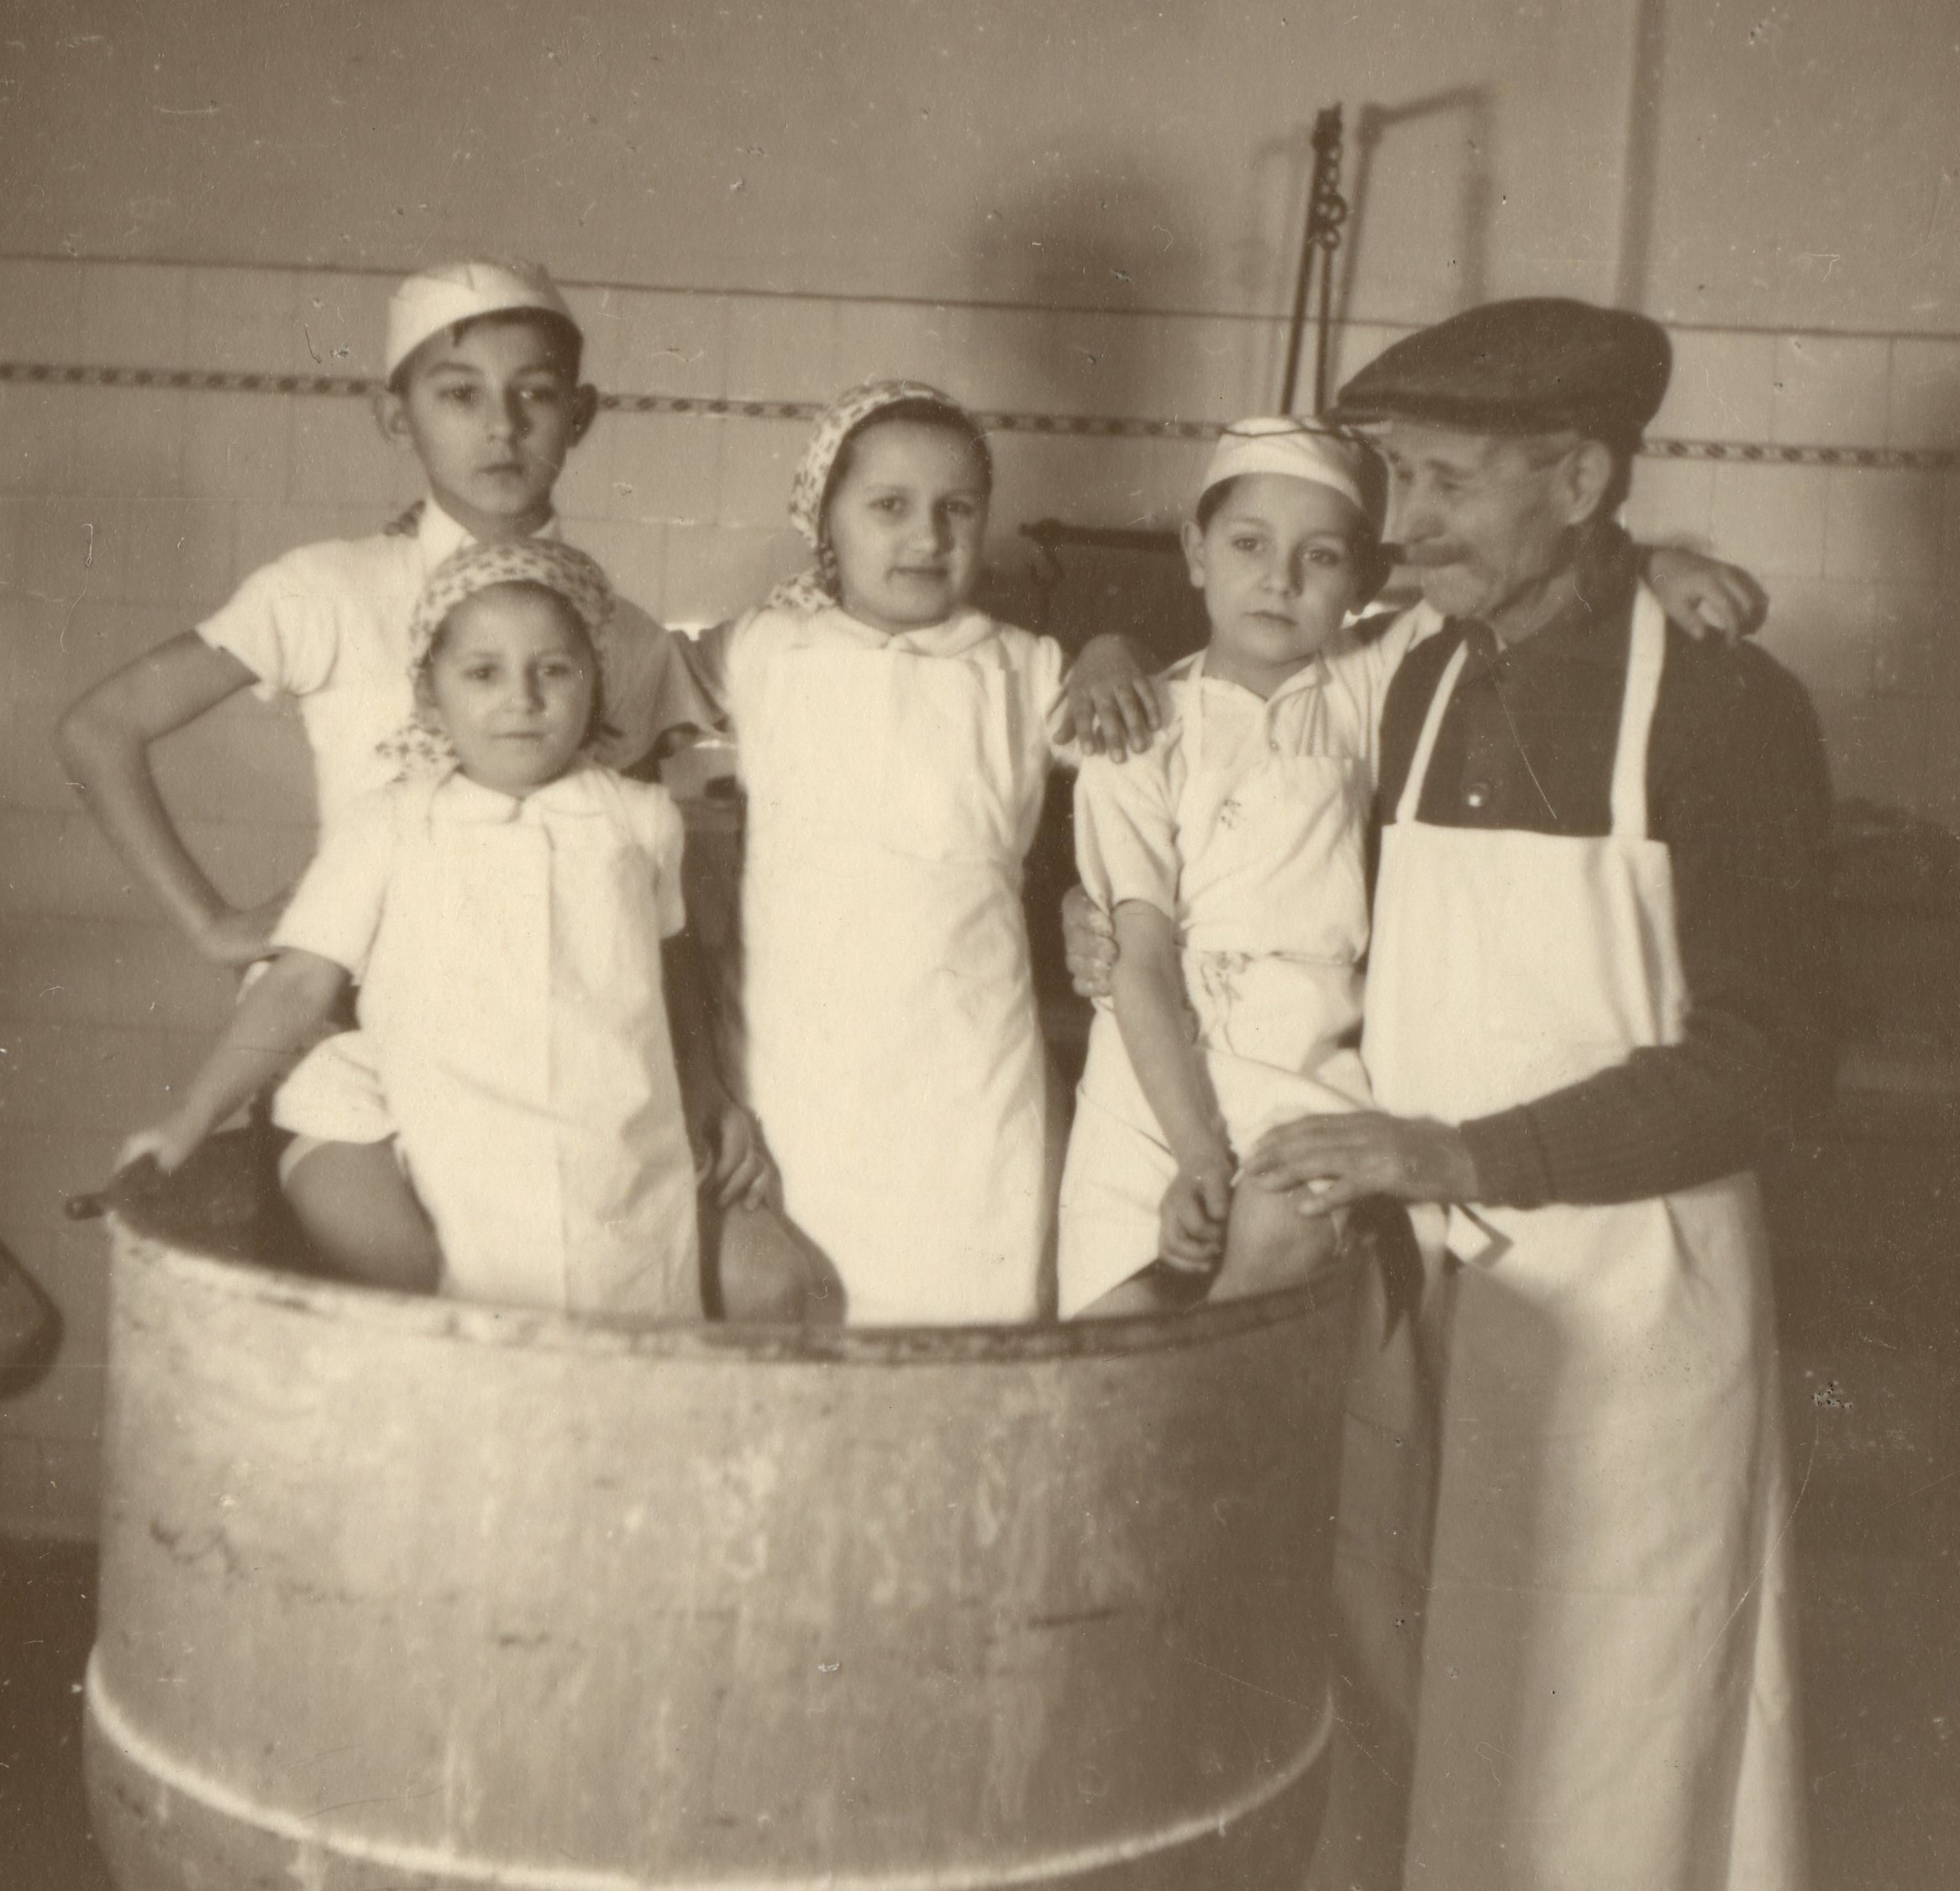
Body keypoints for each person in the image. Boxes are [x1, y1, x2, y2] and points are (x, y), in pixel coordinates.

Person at [1224, 300, 1833, 1890]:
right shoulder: (1420, 679)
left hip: (1635, 1310)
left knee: (1610, 1742)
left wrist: (1457, 1150)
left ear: (1577, 478)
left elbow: (1767, 1065)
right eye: (1396, 479)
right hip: (1437, 1296)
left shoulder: (1724, 705)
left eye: (1445, 483)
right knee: (1435, 1718)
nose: (1402, 526)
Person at [58, 260, 710, 1274]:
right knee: (403, 1296)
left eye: (534, 395)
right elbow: (100, 728)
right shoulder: (327, 588)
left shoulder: (621, 634)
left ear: (579, 415)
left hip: (556, 1069)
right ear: (394, 415)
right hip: (345, 1044)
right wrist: (212, 923)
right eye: (458, 395)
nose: (500, 428)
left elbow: (636, 890)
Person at [119, 541, 766, 1319]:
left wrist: (709, 1091)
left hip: (616, 1150)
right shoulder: (389, 825)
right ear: (430, 696)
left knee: (623, 1337)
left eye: (554, 669)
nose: (521, 698)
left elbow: (670, 974)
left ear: (594, 682)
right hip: (459, 1152)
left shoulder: (642, 820)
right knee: (474, 1340)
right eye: (482, 672)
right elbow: (297, 984)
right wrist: (191, 1117)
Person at [684, 380, 1137, 1325]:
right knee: (801, 1334)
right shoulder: (763, 650)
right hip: (796, 1069)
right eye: (888, 506)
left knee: (965, 1322)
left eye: (956, 508)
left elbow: (1142, 749)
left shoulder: (1022, 665)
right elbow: (617, 686)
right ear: (826, 521)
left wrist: (1109, 647)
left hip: (966, 1075)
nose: (926, 536)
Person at [1058, 420, 1408, 1318]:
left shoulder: (1361, 685)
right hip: (1151, 1073)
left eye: (1320, 557)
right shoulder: (1139, 727)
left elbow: (1498, 585)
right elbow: (1138, 956)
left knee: (1275, 1238)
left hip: (1304, 1056)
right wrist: (1195, 1151)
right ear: (1195, 552)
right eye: (1248, 543)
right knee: (1112, 1335)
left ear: (1362, 583)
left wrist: (1656, 570)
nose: (1279, 579)